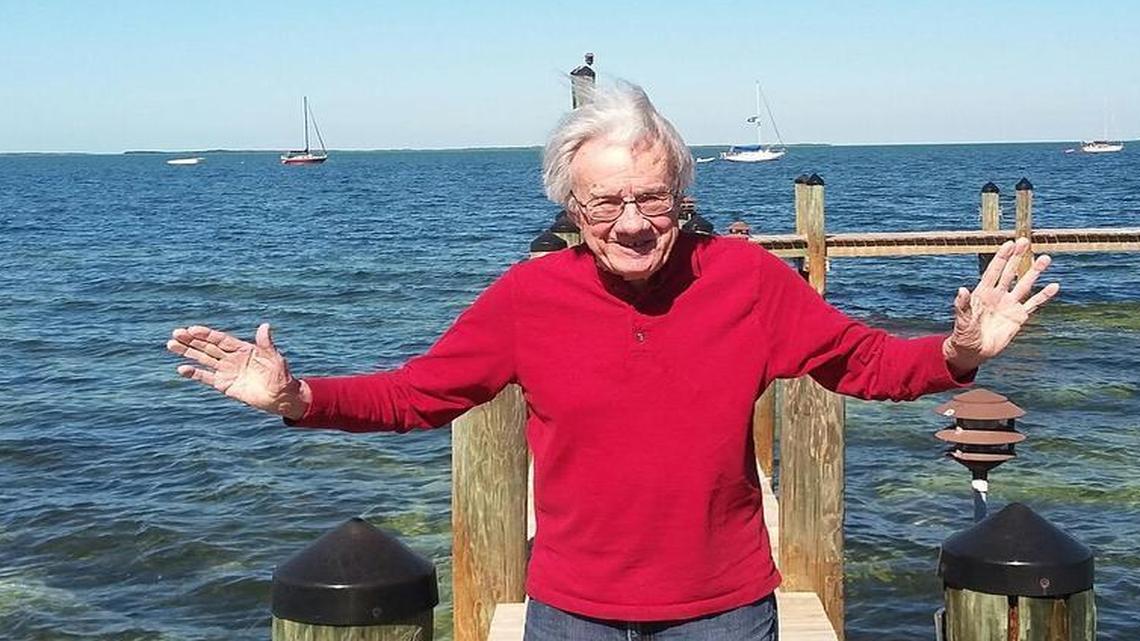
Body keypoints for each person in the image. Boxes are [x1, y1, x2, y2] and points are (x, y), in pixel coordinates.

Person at [167, 82, 1059, 641]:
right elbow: (418, 394)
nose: (631, 222)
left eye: (652, 197)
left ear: (683, 195)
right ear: (570, 203)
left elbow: (865, 362)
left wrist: (956, 351)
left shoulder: (745, 280)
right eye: (604, 202)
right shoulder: (529, 297)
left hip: (726, 611)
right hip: (571, 612)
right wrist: (298, 395)